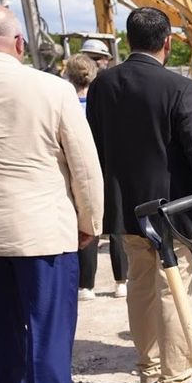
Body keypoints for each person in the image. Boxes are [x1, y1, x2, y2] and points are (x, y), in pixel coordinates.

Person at [0, 3, 109, 383]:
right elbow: (84, 166)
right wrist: (91, 222)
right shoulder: (51, 89)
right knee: (48, 326)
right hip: (41, 228)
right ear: (18, 43)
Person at [86, 7, 192, 383]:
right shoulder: (179, 88)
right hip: (173, 208)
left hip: (125, 207)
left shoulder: (102, 85)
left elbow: (95, 147)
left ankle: (148, 371)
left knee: (140, 287)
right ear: (167, 42)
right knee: (172, 289)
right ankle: (176, 379)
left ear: (129, 39)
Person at [66, 54, 128, 302]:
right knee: (116, 226)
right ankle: (121, 281)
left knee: (86, 224)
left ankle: (86, 285)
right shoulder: (105, 100)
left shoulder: (67, 102)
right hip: (106, 167)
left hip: (76, 171)